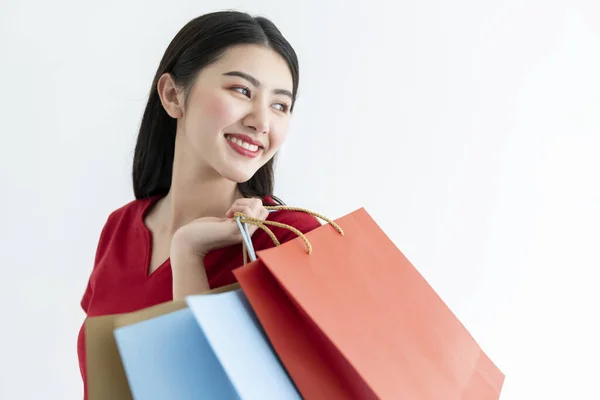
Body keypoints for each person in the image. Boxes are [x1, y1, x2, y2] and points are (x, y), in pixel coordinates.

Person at [77, 10, 321, 398]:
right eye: (242, 91)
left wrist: (188, 254)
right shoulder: (120, 228)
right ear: (173, 95)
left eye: (280, 105)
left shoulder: (290, 241)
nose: (261, 120)